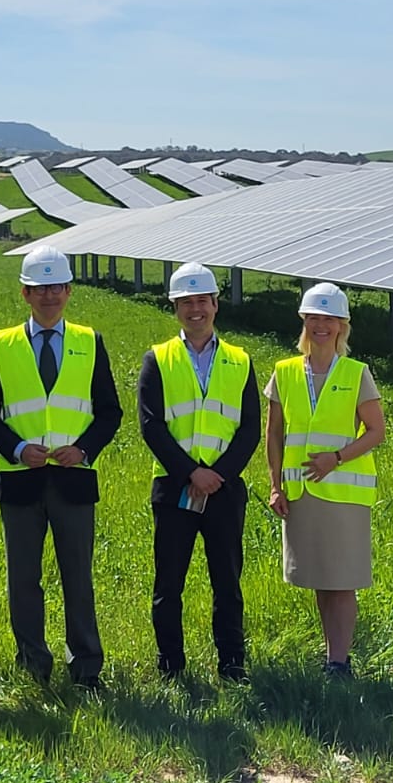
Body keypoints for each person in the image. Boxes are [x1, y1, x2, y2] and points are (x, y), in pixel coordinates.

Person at [0, 244, 122, 690]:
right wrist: (17, 448)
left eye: (57, 287)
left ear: (69, 291)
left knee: (78, 576)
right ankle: (33, 665)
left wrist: (85, 449)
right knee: (24, 580)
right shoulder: (3, 344)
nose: (49, 296)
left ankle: (86, 668)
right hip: (21, 482)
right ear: (25, 294)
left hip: (73, 479)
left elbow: (110, 411)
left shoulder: (90, 342)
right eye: (40, 289)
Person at [137, 262, 260, 682]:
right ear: (175, 307)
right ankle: (170, 665)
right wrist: (191, 472)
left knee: (227, 582)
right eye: (186, 302)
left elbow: (249, 429)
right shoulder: (157, 359)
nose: (195, 309)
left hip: (224, 490)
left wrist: (217, 475)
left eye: (202, 301)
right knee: (169, 583)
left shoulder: (240, 361)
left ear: (215, 304)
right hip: (174, 487)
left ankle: (232, 665)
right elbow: (151, 425)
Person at [265, 283, 386, 677]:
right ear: (304, 322)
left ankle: (339, 660)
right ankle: (331, 654)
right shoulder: (284, 372)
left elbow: (375, 431)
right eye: (314, 317)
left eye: (328, 319)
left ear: (341, 326)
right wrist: (275, 485)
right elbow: (274, 435)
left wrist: (337, 458)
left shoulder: (356, 373)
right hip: (301, 491)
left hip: (343, 493)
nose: (321, 325)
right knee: (320, 577)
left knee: (342, 579)